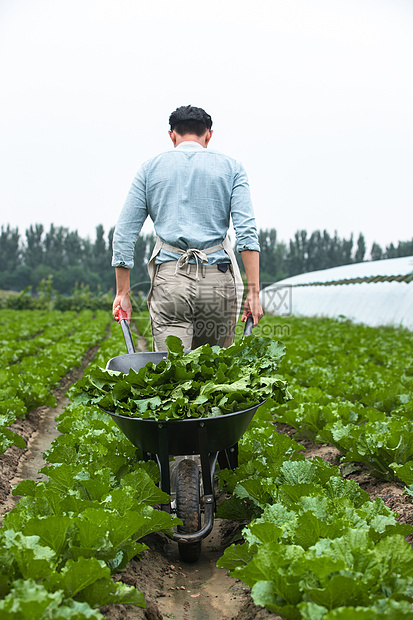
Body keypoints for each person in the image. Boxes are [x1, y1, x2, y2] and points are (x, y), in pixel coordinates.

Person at [112, 105, 263, 351]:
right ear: (209, 135)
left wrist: (123, 292)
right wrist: (253, 292)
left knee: (173, 374)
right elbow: (247, 234)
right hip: (218, 282)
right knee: (214, 374)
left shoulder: (150, 169)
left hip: (171, 281)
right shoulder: (232, 169)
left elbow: (124, 235)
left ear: (172, 135)